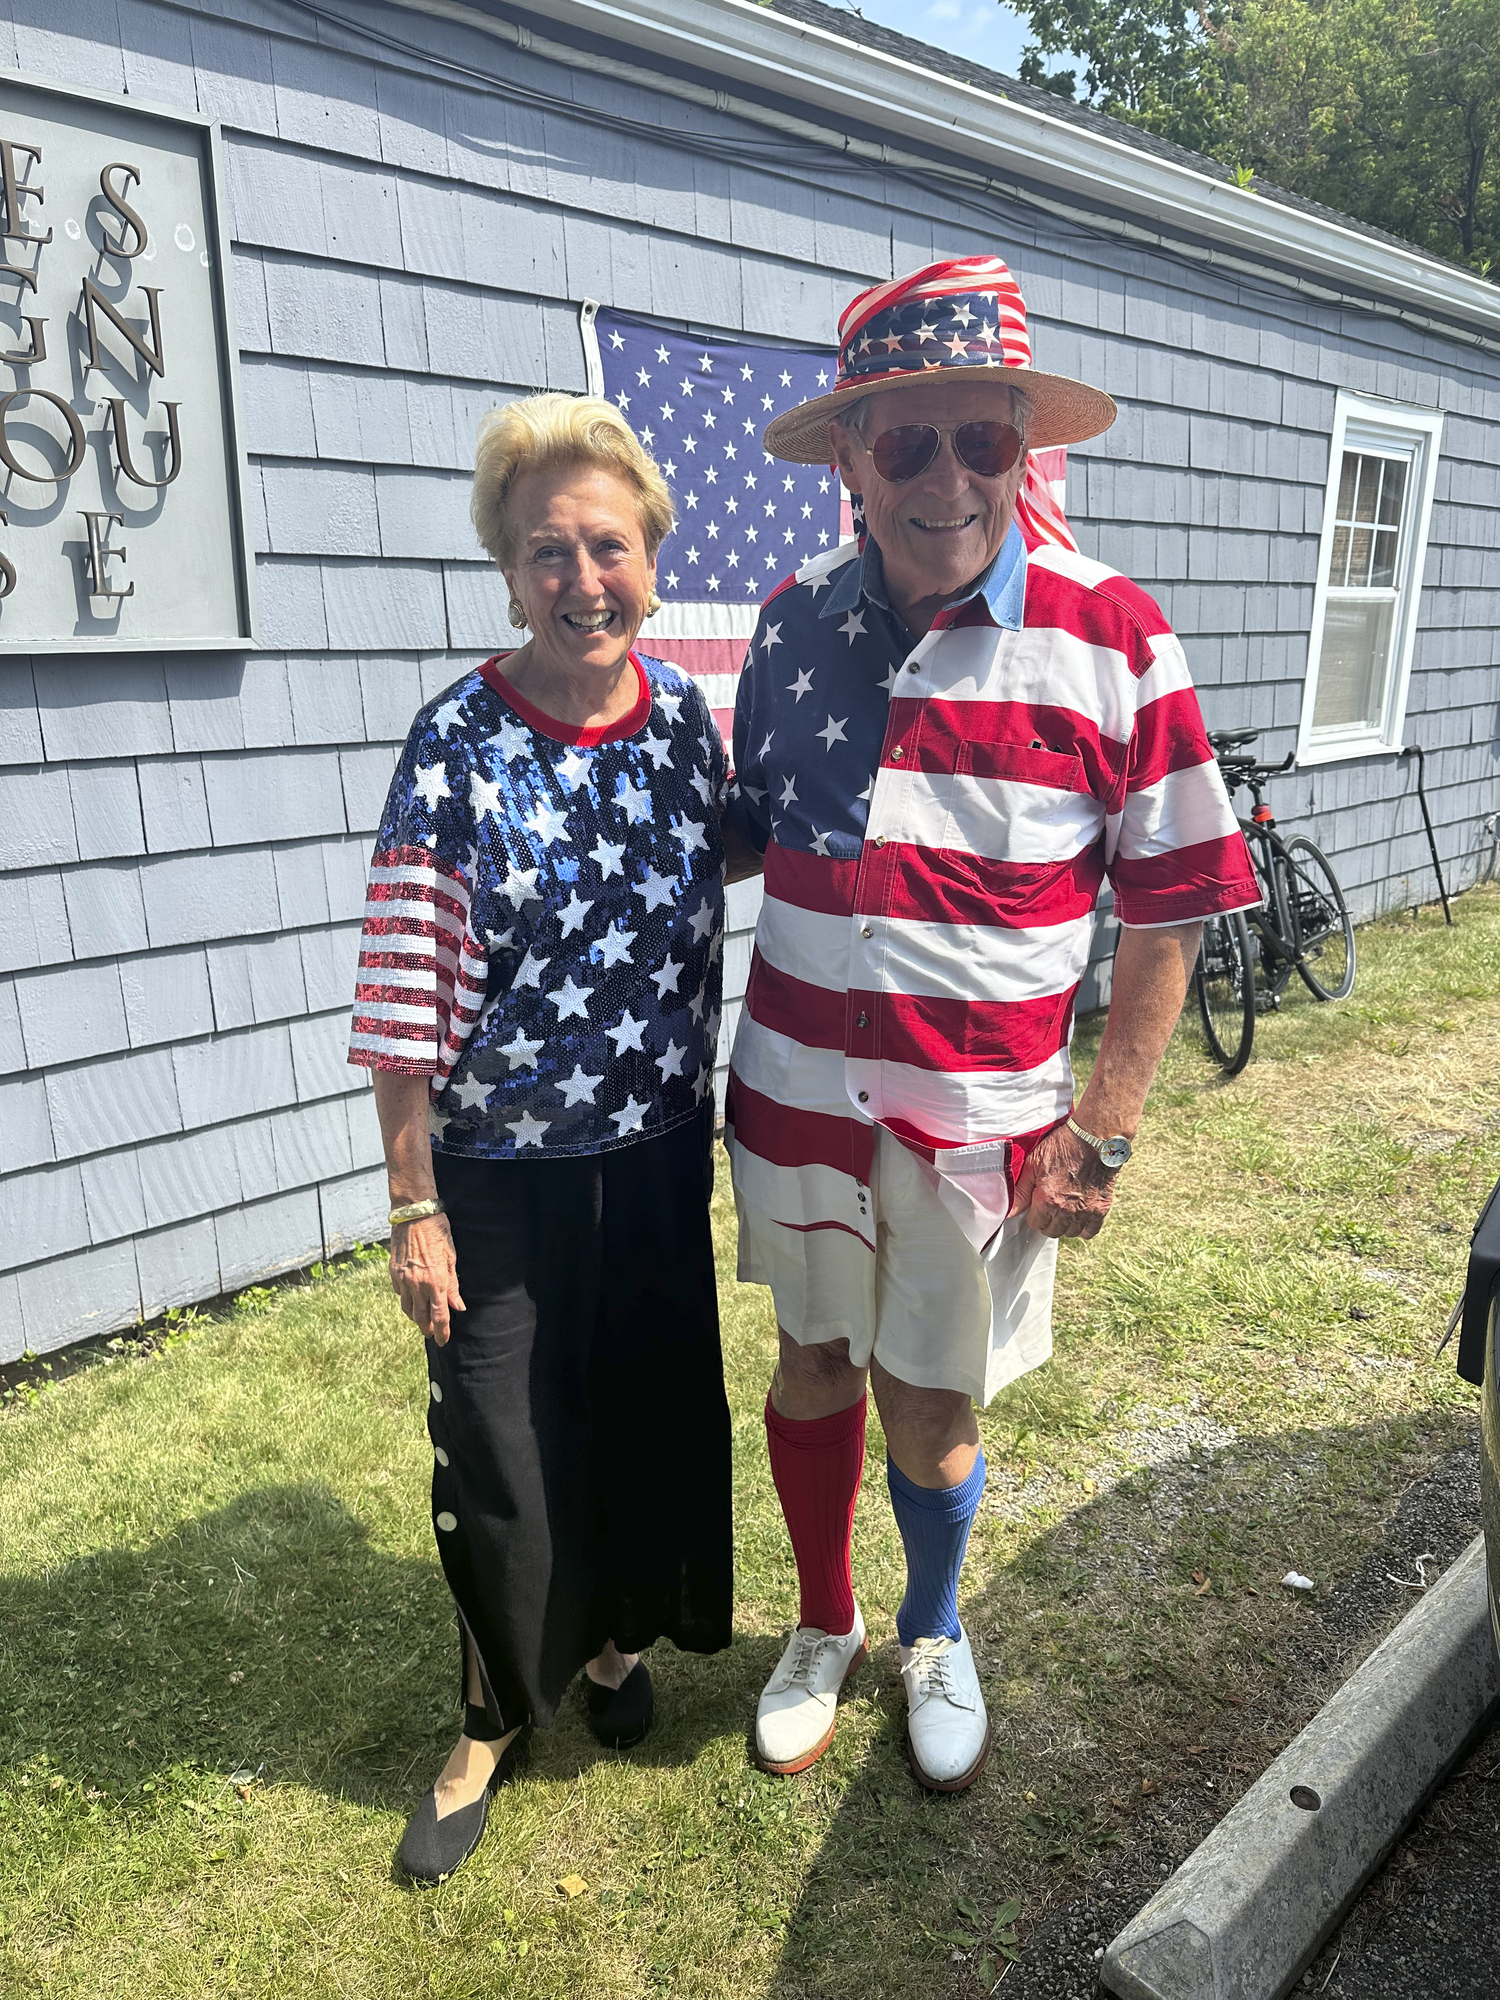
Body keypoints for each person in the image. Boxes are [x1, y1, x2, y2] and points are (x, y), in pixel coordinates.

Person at [722, 256, 1259, 1793]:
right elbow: (751, 826)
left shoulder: (1115, 635)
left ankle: (934, 1627)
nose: (949, 477)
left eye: (983, 440)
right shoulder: (787, 629)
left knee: (933, 1395)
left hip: (976, 1117)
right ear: (849, 459)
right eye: (906, 442)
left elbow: (1173, 901)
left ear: (1026, 448)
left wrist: (1105, 1127)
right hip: (797, 1097)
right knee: (815, 1357)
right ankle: (823, 1622)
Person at [349, 393, 734, 1884]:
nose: (581, 580)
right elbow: (400, 995)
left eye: (607, 546)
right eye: (546, 552)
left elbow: (749, 844)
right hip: (498, 1177)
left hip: (650, 1161)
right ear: (509, 576)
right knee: (502, 1447)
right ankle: (489, 1717)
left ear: (650, 559)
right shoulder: (454, 746)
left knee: (640, 1416)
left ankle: (618, 1650)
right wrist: (413, 1205)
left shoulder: (687, 722)